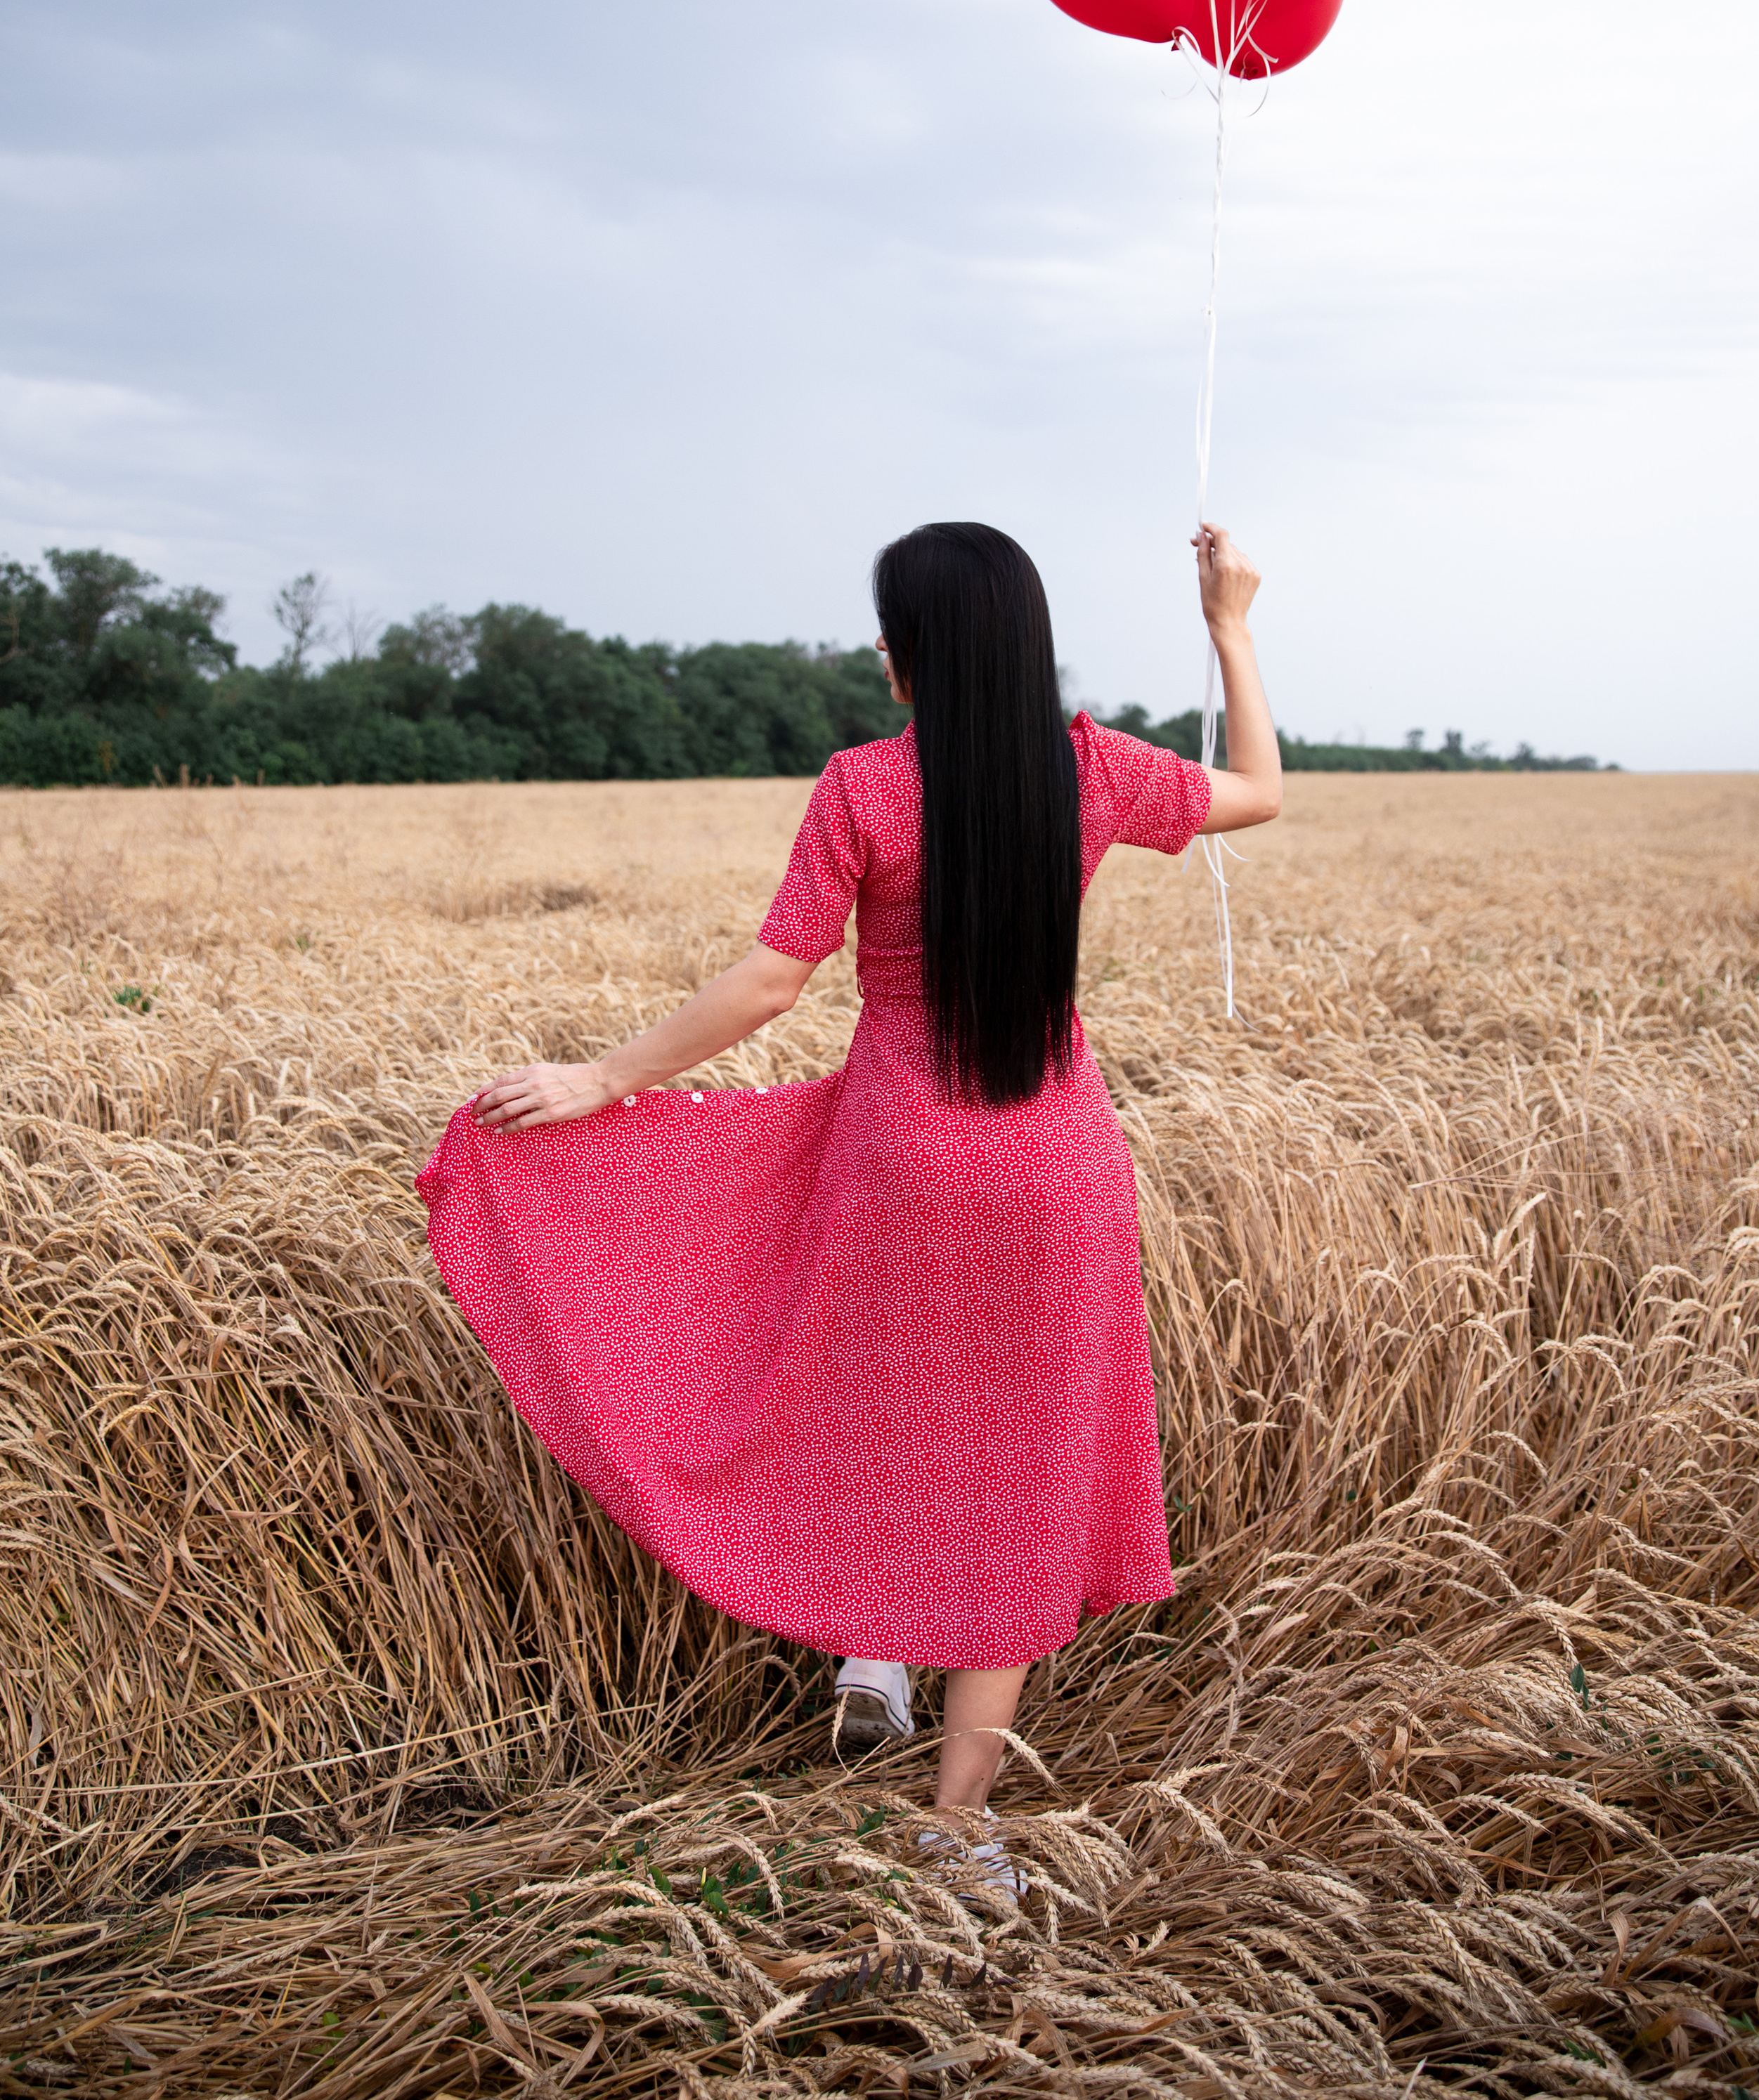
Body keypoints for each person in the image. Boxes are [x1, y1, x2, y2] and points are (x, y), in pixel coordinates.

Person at [420, 519, 1280, 1879]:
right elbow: (1257, 791)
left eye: (891, 629)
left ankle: (870, 1640)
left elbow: (771, 984)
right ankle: (959, 1822)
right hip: (1060, 1169)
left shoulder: (865, 788)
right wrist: (1228, 622)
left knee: (866, 1399)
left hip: (900, 1158)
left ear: (912, 659)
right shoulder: (1095, 770)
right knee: (1014, 1466)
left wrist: (602, 1077)